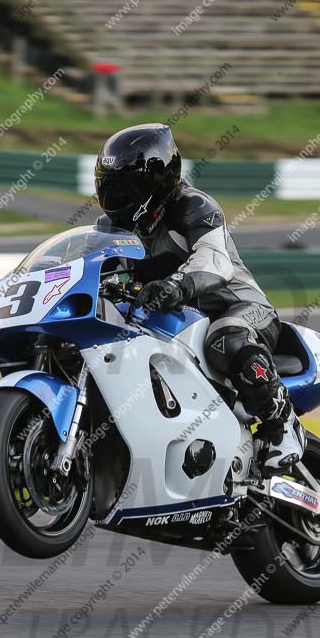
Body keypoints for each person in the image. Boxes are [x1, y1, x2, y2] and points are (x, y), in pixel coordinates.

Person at [94, 123, 305, 472]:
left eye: (125, 187)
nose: (116, 197)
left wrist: (178, 285)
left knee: (226, 339)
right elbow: (94, 268)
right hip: (176, 320)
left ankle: (281, 422)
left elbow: (214, 259)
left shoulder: (193, 206)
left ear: (155, 180)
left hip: (239, 306)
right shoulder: (112, 228)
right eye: (110, 186)